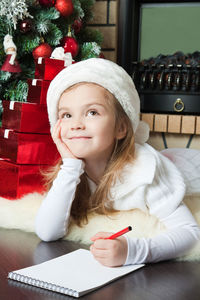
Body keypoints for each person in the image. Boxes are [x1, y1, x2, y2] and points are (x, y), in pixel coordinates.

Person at [35, 58, 200, 267]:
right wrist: (70, 165)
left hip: (191, 165)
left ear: (121, 127)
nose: (76, 124)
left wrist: (133, 251)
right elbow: (47, 232)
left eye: (92, 112)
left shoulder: (144, 173)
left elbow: (190, 233)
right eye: (66, 115)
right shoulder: (72, 169)